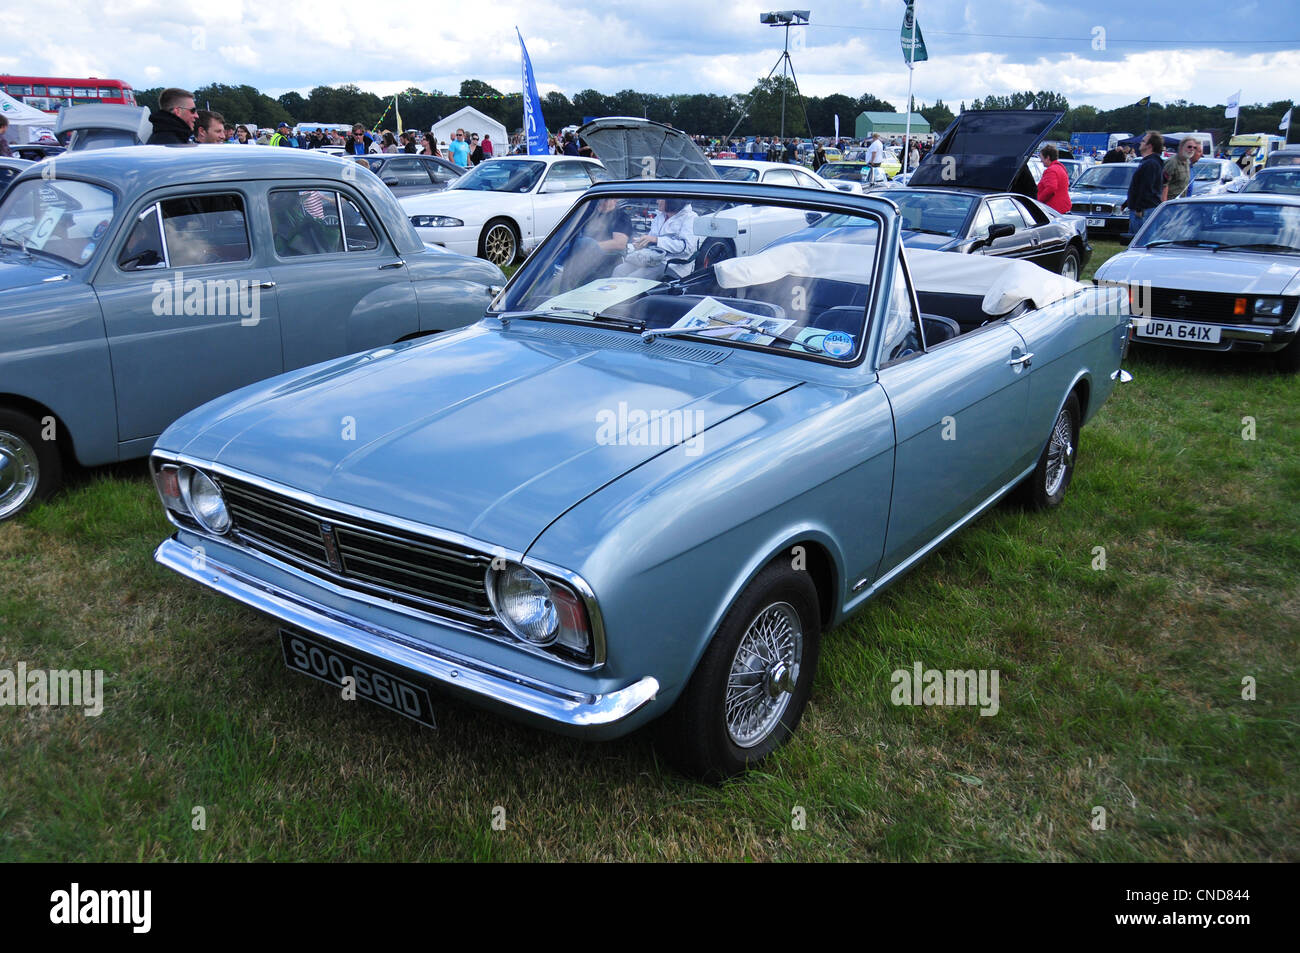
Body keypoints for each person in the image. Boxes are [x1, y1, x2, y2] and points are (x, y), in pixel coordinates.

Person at [614, 198, 698, 280]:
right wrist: (642, 243)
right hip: (652, 259)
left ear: (673, 201)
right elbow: (652, 238)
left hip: (673, 265)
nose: (657, 201)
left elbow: (687, 247)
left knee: (633, 279)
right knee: (619, 270)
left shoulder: (690, 218)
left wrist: (657, 240)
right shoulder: (660, 216)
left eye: (660, 199)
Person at [564, 197, 634, 286]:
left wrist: (589, 245)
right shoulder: (589, 214)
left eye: (606, 200)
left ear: (615, 200)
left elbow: (619, 243)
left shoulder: (621, 217)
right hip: (582, 255)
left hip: (608, 258)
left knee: (584, 243)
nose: (602, 202)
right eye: (600, 200)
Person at [1125, 131, 1167, 237]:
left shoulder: (1151, 164)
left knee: (1140, 243)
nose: (1140, 143)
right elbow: (1138, 186)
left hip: (1144, 211)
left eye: (1143, 141)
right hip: (1143, 209)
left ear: (1150, 146)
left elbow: (1147, 188)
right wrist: (1127, 202)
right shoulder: (1149, 162)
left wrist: (1139, 209)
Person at [1036, 144, 1072, 213]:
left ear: (1048, 157)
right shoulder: (1060, 168)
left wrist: (1039, 201)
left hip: (1054, 209)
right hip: (1063, 207)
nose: (1041, 161)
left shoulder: (1051, 170)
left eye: (1042, 158)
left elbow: (1051, 188)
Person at [1163, 137, 1200, 201]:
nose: (1192, 149)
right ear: (1181, 147)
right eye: (1189, 147)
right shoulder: (1172, 162)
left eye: (1194, 148)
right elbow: (1163, 185)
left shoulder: (1188, 162)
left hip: (1181, 203)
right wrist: (1164, 206)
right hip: (1170, 203)